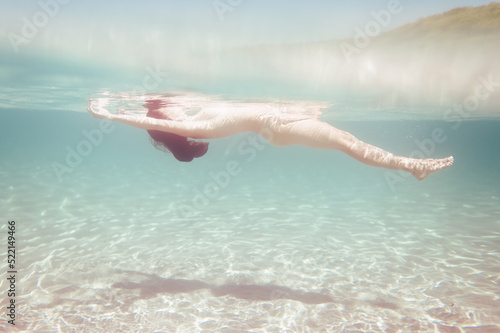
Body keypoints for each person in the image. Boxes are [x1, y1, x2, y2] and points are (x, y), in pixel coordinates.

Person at [87, 96, 453, 180]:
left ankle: (409, 166)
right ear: (166, 124)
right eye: (164, 114)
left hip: (282, 120)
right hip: (281, 127)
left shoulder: (200, 114)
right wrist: (109, 115)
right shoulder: (195, 128)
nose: (170, 110)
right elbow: (142, 120)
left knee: (345, 140)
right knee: (346, 141)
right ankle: (411, 166)